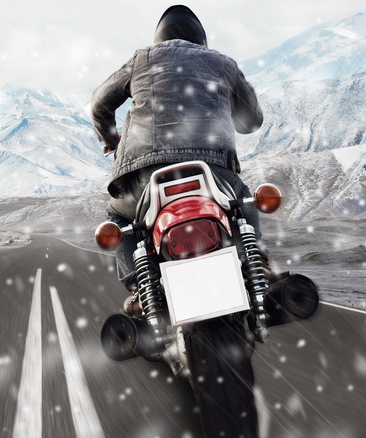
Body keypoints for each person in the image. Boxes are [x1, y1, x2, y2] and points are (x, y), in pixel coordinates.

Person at [90, 5, 265, 313]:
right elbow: (252, 122)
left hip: (145, 173)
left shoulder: (142, 59)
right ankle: (257, 264)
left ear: (159, 37)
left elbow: (98, 106)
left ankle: (139, 286)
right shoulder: (223, 63)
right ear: (202, 40)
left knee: (119, 219)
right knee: (242, 203)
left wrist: (111, 141)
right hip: (212, 170)